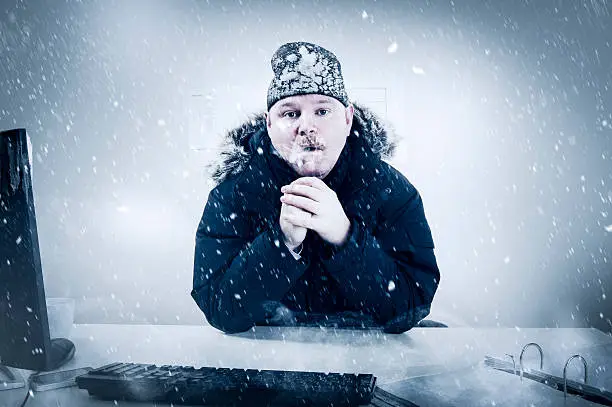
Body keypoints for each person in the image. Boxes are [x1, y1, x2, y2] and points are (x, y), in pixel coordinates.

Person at [191, 41, 440, 334]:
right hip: (268, 361)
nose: (306, 126)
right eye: (290, 113)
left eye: (322, 111)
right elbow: (221, 310)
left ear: (348, 120)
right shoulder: (233, 195)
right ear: (269, 124)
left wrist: (345, 237)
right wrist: (281, 243)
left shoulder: (391, 191)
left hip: (368, 353)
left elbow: (410, 305)